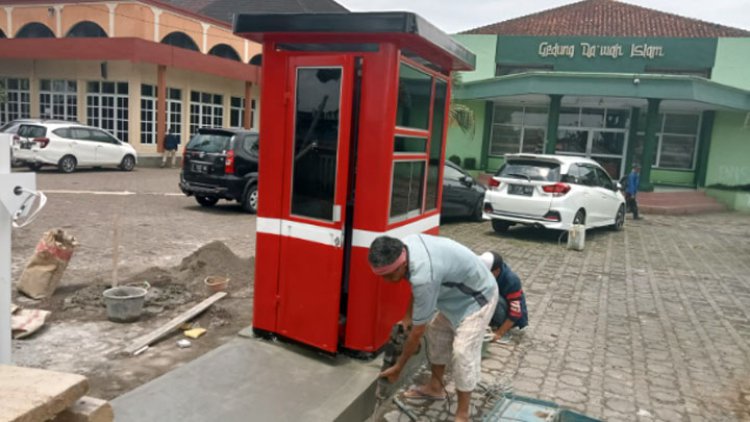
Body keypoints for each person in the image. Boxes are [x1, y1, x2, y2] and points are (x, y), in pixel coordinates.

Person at [369, 234, 498, 422]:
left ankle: (463, 413)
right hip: (453, 297)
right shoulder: (405, 247)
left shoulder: (424, 274)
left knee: (463, 352)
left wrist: (399, 366)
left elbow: (417, 332)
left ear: (402, 264)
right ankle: (435, 388)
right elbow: (415, 284)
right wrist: (407, 317)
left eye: (389, 275)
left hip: (479, 297)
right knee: (436, 335)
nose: (386, 281)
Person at [479, 252, 528, 343]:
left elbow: (515, 313)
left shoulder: (512, 280)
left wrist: (499, 333)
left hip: (513, 320)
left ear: (496, 271)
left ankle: (504, 331)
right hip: (500, 310)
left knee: (492, 296)